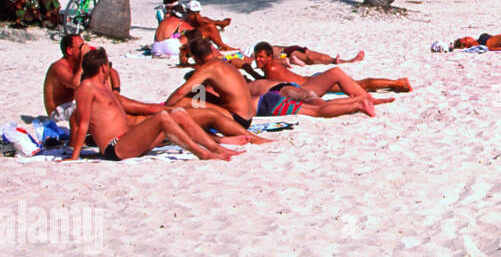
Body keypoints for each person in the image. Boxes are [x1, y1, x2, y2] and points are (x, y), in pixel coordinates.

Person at [66, 48, 239, 162]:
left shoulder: (103, 87)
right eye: (109, 65)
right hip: (115, 148)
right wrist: (74, 157)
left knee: (177, 114)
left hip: (130, 140)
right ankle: (203, 154)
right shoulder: (86, 87)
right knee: (162, 118)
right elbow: (84, 123)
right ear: (103, 67)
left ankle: (216, 148)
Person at [250, 42, 410, 100]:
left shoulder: (271, 69)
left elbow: (268, 87)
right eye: (257, 58)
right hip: (312, 79)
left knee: (363, 84)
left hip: (313, 85)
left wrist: (249, 75)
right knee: (360, 83)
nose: (259, 60)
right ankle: (395, 83)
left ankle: (397, 82)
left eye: (262, 57)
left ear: (270, 57)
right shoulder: (272, 65)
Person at [44, 33, 120, 118]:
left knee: (102, 74)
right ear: (70, 50)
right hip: (58, 112)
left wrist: (116, 91)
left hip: (73, 105)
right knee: (99, 107)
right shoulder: (58, 67)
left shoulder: (78, 64)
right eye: (81, 47)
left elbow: (111, 71)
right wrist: (83, 59)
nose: (84, 49)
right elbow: (75, 84)